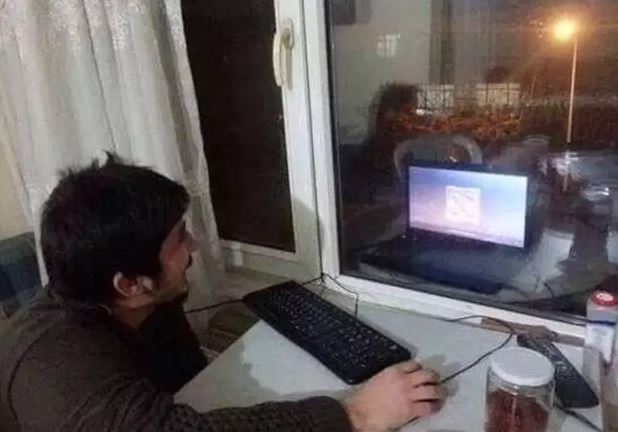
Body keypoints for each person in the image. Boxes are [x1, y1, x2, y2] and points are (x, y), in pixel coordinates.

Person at [0, 154, 445, 432]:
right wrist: (355, 415)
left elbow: (195, 392)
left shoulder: (144, 305)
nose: (193, 247)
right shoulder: (57, 368)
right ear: (130, 284)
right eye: (179, 239)